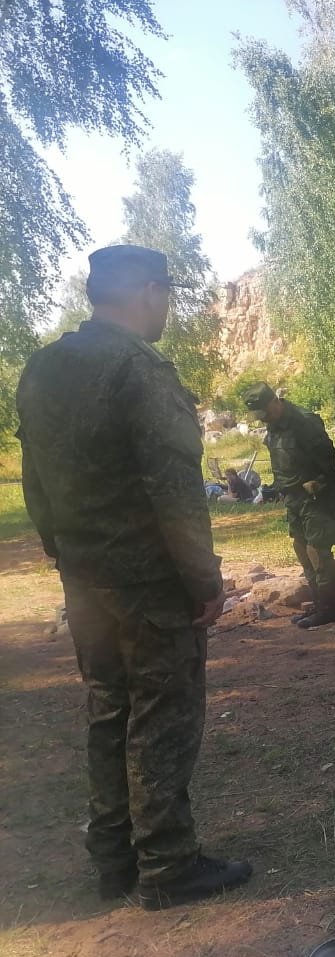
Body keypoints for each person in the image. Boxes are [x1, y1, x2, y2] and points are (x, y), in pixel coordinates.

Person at [16, 244, 251, 909]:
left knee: (108, 709)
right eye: (166, 295)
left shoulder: (45, 365)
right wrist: (204, 579)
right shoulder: (139, 368)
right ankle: (168, 865)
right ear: (149, 291)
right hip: (150, 584)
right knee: (162, 715)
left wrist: (61, 550)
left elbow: (36, 477)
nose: (167, 308)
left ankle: (114, 859)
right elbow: (174, 488)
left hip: (86, 576)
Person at [245, 382, 335, 628]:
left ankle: (328, 608)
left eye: (265, 412)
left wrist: (326, 492)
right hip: (293, 498)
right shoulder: (273, 425)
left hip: (315, 497)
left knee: (317, 551)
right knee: (301, 548)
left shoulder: (304, 422)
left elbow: (329, 460)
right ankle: (318, 603)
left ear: (275, 401)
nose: (263, 419)